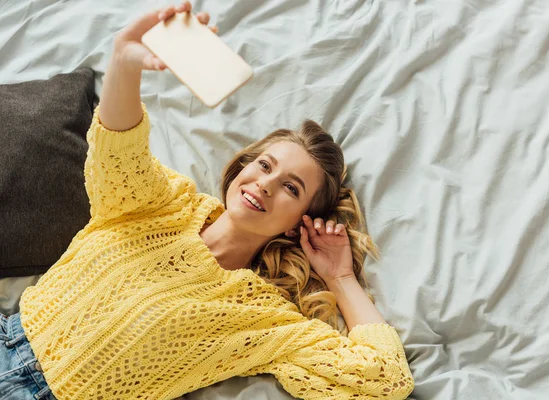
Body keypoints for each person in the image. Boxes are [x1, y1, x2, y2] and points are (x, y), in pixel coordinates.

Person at [0, 2, 414, 399]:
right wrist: (124, 62)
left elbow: (385, 377)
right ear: (242, 169)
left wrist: (341, 278)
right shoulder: (168, 202)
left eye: (291, 188)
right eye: (265, 166)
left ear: (298, 223)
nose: (267, 184)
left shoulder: (264, 315)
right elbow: (118, 152)